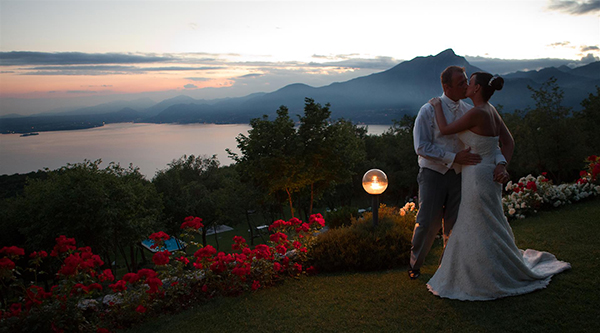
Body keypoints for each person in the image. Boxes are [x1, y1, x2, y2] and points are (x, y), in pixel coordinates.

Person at [425, 72, 570, 300]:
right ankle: (489, 265)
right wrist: (501, 165)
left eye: (469, 82)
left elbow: (444, 129)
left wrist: (435, 106)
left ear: (477, 89)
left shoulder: (477, 112)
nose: (466, 86)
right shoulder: (491, 111)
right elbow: (507, 142)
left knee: (477, 221)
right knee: (489, 220)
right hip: (489, 174)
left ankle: (482, 273)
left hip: (476, 175)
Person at [409, 66, 507, 280]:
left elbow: (488, 144)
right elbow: (421, 147)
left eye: (466, 81)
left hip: (463, 175)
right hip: (433, 173)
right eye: (461, 82)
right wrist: (453, 158)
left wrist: (501, 162)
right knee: (427, 222)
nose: (465, 85)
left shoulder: (470, 110)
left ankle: (449, 266)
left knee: (455, 224)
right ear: (447, 86)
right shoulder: (428, 110)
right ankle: (415, 264)